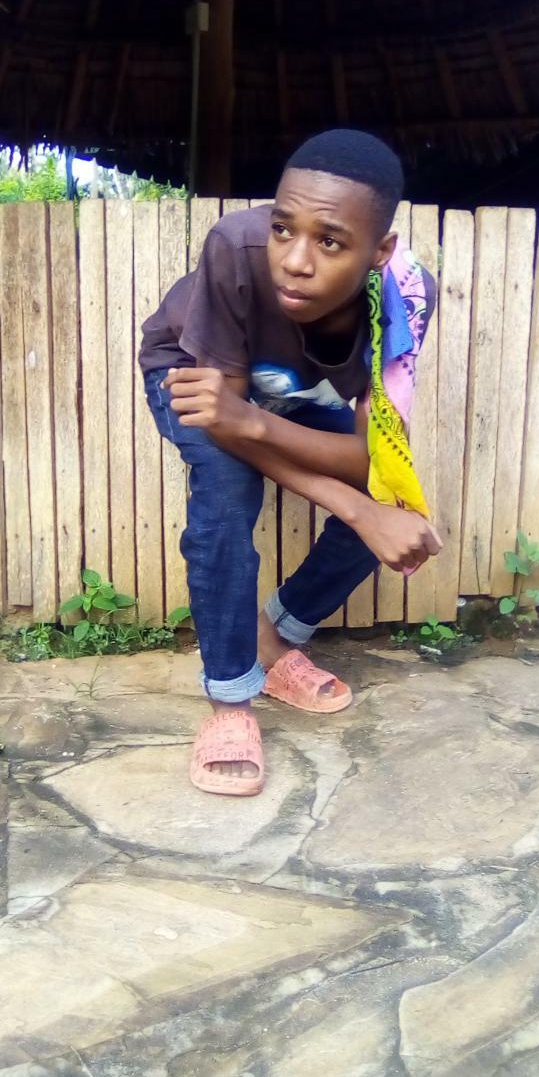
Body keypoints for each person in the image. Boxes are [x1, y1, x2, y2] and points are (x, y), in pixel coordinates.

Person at [140, 129, 441, 796]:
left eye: (330, 242)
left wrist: (367, 500)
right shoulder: (235, 248)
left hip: (279, 396)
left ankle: (274, 636)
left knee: (390, 502)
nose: (294, 262)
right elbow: (226, 421)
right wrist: (353, 507)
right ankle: (230, 699)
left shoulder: (406, 299)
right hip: (193, 375)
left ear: (380, 251)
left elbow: (369, 453)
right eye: (283, 229)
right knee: (226, 495)